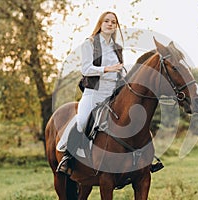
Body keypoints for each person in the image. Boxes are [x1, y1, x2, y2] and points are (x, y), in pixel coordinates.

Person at [56, 11, 124, 175]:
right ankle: (67, 156)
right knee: (82, 121)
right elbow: (86, 69)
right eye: (106, 21)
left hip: (113, 93)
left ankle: (139, 159)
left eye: (113, 22)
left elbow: (120, 71)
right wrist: (107, 69)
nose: (110, 24)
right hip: (94, 93)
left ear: (116, 26)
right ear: (100, 23)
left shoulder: (118, 48)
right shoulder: (90, 43)